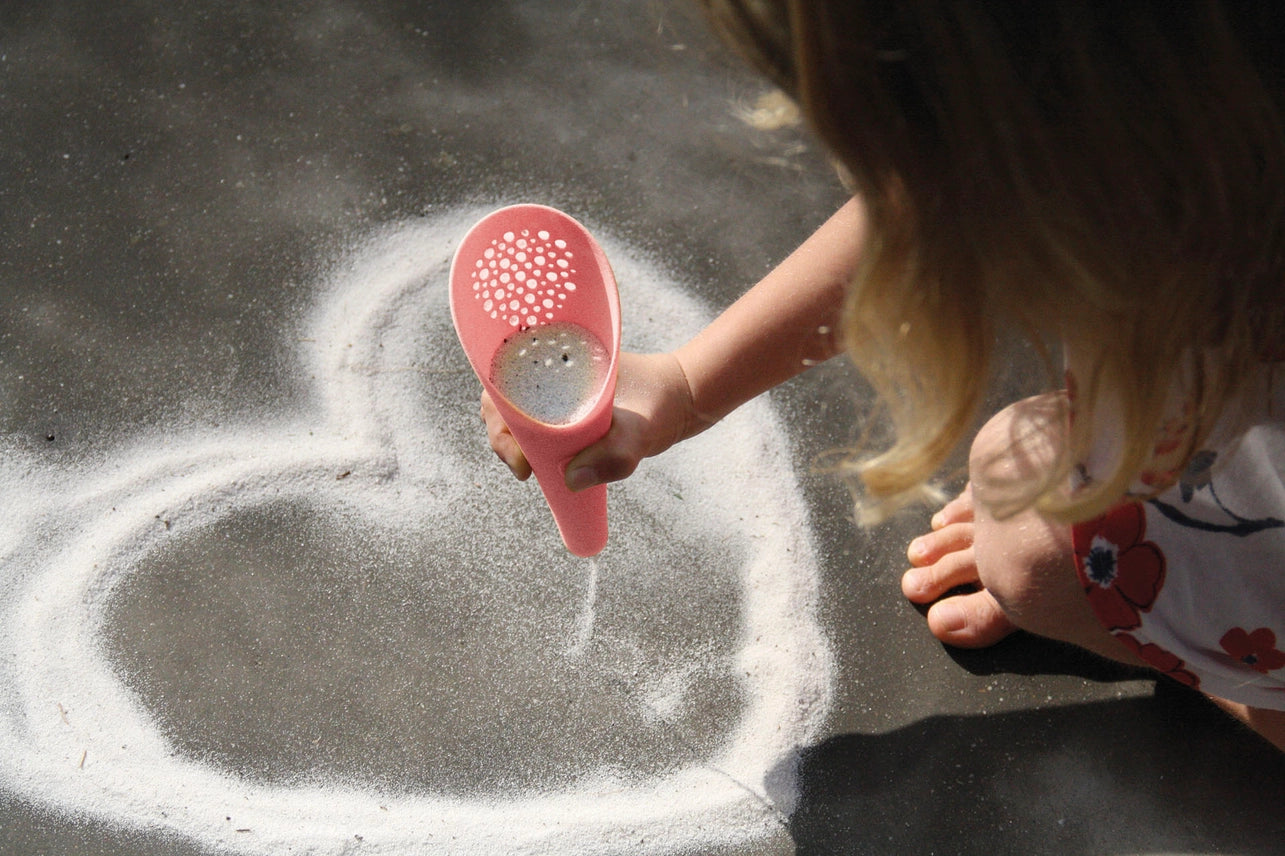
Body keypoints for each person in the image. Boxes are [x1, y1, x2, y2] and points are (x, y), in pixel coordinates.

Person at [481, 1, 1285, 749]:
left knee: (1025, 550)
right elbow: (940, 194)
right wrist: (690, 384)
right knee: (1021, 496)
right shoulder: (1160, 143)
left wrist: (1205, 661)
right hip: (1202, 458)